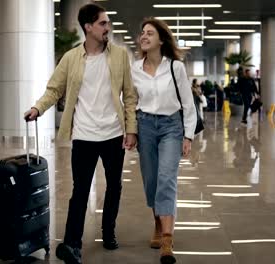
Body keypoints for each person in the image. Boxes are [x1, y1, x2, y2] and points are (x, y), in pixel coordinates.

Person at [24, 3, 138, 264]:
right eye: (103, 23)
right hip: (84, 135)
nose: (107, 27)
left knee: (115, 186)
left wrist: (131, 129)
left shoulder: (120, 55)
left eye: (107, 23)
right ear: (88, 27)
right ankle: (72, 244)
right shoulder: (71, 58)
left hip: (112, 134)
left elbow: (129, 96)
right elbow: (54, 89)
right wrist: (37, 108)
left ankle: (108, 231)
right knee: (80, 190)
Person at [131, 18, 197, 264]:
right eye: (142, 33)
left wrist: (187, 135)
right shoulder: (134, 68)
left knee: (166, 178)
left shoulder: (175, 67)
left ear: (161, 39)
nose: (144, 36)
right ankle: (158, 223)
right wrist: (131, 131)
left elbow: (188, 105)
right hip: (145, 125)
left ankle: (167, 239)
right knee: (150, 181)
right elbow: (130, 101)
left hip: (171, 126)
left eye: (150, 33)